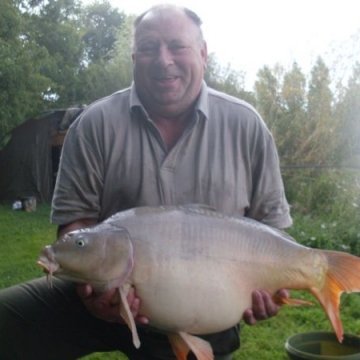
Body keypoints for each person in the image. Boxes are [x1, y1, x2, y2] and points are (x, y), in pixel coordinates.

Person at [0, 4, 292, 360]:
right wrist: (93, 295)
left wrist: (276, 291)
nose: (163, 59)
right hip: (103, 292)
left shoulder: (246, 126)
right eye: (149, 48)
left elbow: (274, 234)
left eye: (177, 46)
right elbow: (74, 224)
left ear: (202, 53)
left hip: (206, 307)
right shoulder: (94, 124)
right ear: (134, 56)